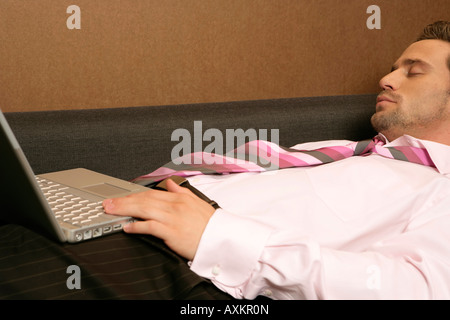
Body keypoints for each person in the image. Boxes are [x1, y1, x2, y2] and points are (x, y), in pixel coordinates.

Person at [102, 21, 450, 299]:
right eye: (394, 69)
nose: (386, 80)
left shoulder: (441, 190)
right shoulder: (343, 150)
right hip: (141, 209)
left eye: (414, 71)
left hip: (193, 271)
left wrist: (218, 236)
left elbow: (411, 289)